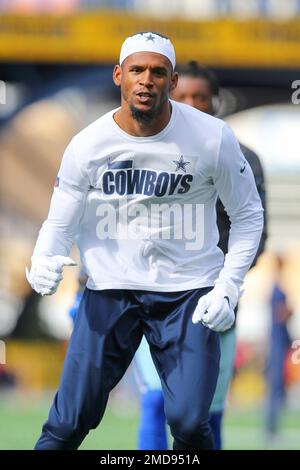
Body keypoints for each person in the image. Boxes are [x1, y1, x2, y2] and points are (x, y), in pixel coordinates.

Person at [26, 32, 263, 450]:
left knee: (190, 423)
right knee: (67, 423)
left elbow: (248, 215)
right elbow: (59, 219)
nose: (146, 80)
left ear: (172, 82)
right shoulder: (87, 144)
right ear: (120, 75)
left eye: (158, 72)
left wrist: (228, 285)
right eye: (137, 69)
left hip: (187, 294)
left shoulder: (213, 137)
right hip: (109, 290)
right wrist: (46, 256)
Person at [135, 61, 267, 450]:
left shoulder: (243, 157)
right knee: (156, 400)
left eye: (200, 98)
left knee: (208, 411)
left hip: (214, 303)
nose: (191, 104)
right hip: (153, 297)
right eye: (184, 97)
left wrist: (222, 284)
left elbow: (254, 231)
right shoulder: (143, 150)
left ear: (215, 103)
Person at [265, 254, 292, 442]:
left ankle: (273, 429)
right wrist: (290, 311)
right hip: (277, 344)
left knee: (278, 388)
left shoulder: (277, 287)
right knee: (274, 389)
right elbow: (280, 315)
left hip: (279, 343)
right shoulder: (277, 289)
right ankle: (270, 431)